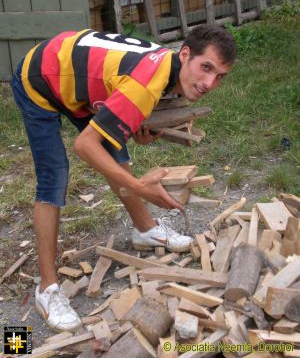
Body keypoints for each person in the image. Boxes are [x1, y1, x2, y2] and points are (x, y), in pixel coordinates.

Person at [11, 24, 236, 332]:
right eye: (206, 68)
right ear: (185, 54)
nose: (209, 83)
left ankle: (144, 230)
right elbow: (84, 146)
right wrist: (139, 187)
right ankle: (47, 289)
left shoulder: (169, 68)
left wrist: (136, 131)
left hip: (77, 79)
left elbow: (124, 109)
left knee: (115, 151)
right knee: (54, 176)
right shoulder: (146, 84)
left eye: (220, 76)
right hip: (41, 77)